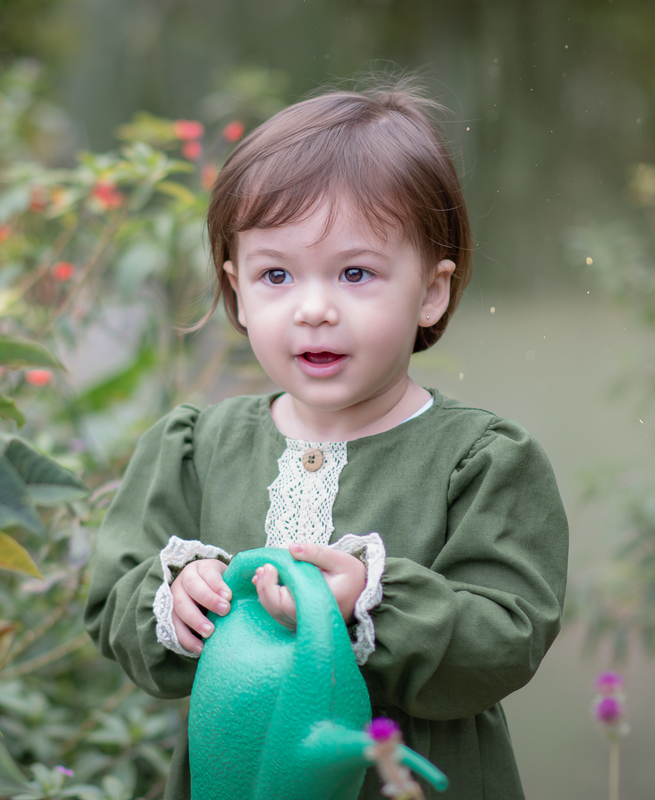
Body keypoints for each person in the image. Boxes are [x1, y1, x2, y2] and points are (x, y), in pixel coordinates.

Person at [84, 79, 569, 800]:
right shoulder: (196, 447)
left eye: (355, 273)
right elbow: (114, 602)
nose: (313, 309)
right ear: (237, 290)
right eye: (275, 274)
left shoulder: (482, 462)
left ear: (432, 291)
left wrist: (371, 600)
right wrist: (176, 601)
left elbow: (508, 636)